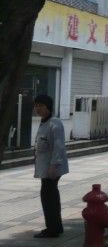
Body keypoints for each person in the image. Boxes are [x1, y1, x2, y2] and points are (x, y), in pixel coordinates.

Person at [32, 94, 69, 238]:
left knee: (48, 197)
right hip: (46, 166)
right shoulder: (44, 122)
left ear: (48, 107)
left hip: (52, 168)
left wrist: (53, 166)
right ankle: (55, 227)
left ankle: (52, 229)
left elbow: (58, 147)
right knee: (50, 196)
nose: (37, 109)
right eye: (36, 106)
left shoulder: (55, 123)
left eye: (40, 106)